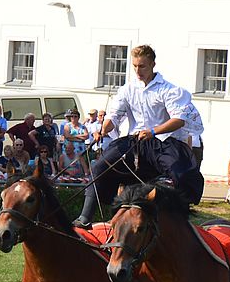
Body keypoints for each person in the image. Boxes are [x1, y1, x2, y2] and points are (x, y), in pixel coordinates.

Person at [74, 45, 204, 228]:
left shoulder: (170, 90)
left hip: (163, 142)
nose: (138, 70)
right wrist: (103, 129)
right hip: (134, 142)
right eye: (134, 66)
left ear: (152, 64)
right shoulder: (128, 89)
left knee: (182, 174)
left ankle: (181, 219)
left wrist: (153, 131)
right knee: (100, 166)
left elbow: (178, 120)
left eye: (142, 66)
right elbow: (114, 116)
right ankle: (85, 217)